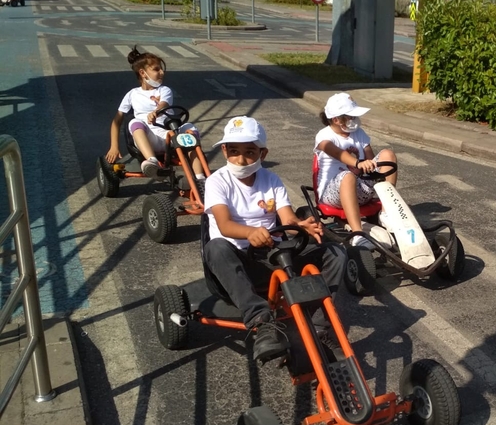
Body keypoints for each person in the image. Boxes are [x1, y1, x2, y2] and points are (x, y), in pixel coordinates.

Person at [203, 116, 346, 362]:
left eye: (250, 152)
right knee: (215, 247)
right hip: (236, 262)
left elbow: (287, 220)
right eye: (234, 151)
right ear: (224, 150)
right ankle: (261, 321)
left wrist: (301, 226)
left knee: (335, 252)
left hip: (273, 255)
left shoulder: (271, 180)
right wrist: (250, 232)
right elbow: (224, 225)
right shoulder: (218, 181)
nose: (241, 159)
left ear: (262, 152)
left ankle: (320, 326)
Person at [105, 46, 205, 182]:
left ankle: (200, 179)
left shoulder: (164, 90)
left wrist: (156, 112)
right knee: (134, 122)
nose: (162, 72)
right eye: (156, 69)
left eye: (162, 69)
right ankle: (152, 162)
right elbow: (117, 121)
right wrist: (114, 147)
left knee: (190, 128)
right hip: (147, 138)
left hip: (169, 137)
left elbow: (164, 103)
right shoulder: (132, 94)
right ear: (143, 73)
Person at [314, 92, 398, 250]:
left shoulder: (358, 133)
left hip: (361, 189)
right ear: (336, 119)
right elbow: (334, 151)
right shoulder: (324, 136)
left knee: (388, 155)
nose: (355, 120)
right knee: (347, 176)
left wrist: (372, 165)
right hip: (333, 194)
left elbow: (371, 159)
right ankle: (357, 234)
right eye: (350, 117)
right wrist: (357, 163)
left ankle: (386, 214)